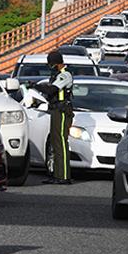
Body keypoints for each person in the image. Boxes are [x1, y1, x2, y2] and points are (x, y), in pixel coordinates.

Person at [33, 51, 74, 185]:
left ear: (58, 64)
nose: (50, 67)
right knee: (55, 143)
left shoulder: (65, 75)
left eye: (52, 64)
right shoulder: (56, 75)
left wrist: (36, 86)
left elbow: (52, 90)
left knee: (61, 142)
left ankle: (63, 176)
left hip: (62, 111)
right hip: (55, 110)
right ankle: (56, 174)